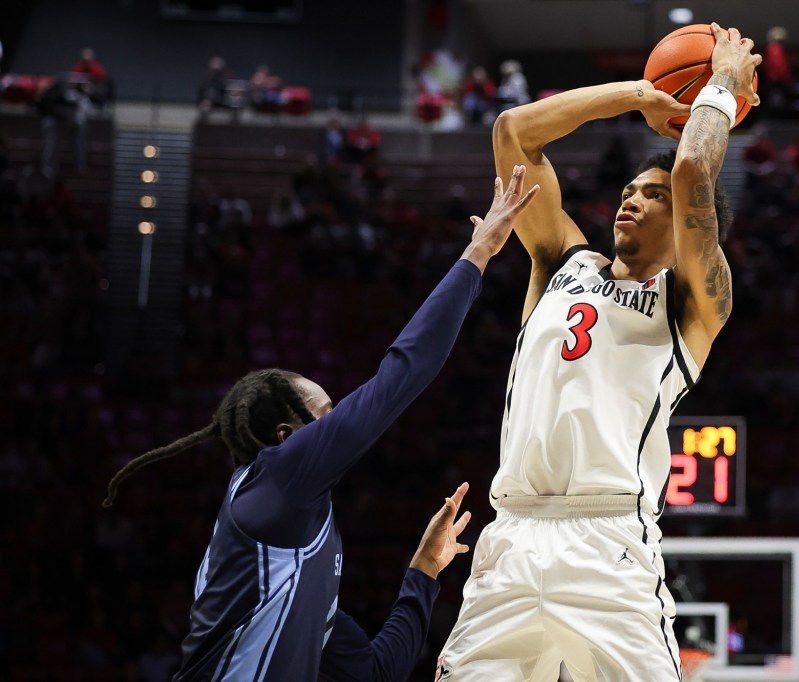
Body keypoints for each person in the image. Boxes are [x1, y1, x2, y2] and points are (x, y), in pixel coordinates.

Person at [101, 167, 541, 680]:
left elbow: (376, 673)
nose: (341, 422)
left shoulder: (289, 542)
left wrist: (423, 571)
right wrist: (479, 252)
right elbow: (401, 374)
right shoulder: (278, 476)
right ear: (287, 437)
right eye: (326, 413)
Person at [437, 23, 759, 681]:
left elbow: (692, 171)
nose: (631, 201)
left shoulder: (692, 303)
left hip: (609, 541)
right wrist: (638, 94)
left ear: (689, 226)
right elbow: (513, 133)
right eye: (628, 191)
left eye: (653, 196)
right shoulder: (561, 262)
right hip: (512, 536)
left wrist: (723, 83)